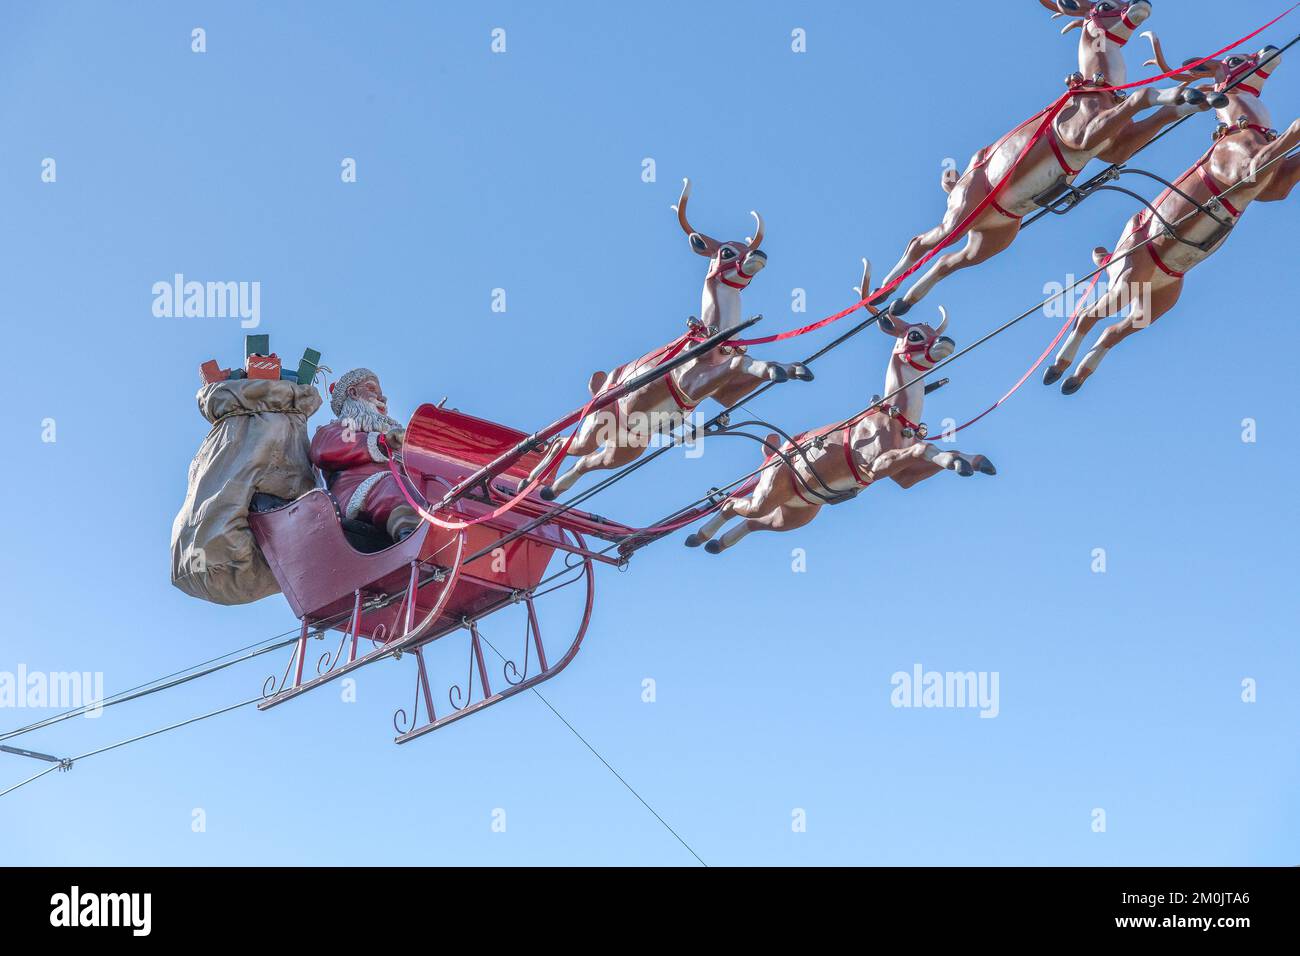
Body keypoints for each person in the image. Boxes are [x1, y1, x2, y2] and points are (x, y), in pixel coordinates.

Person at [309, 367, 422, 542]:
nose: (382, 398)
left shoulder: (394, 438)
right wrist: (380, 443)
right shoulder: (343, 429)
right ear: (353, 393)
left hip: (403, 488)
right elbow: (324, 450)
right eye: (371, 389)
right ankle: (409, 534)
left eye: (382, 393)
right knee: (392, 484)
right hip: (355, 493)